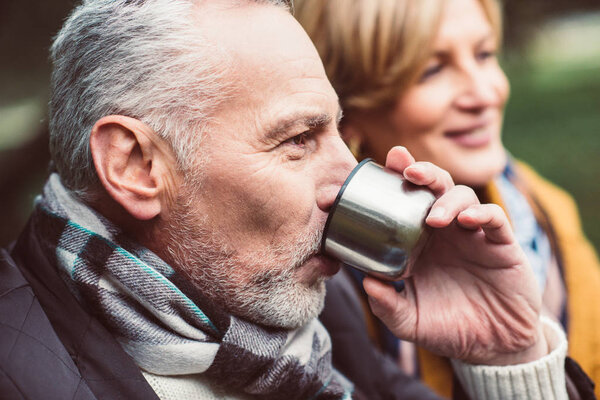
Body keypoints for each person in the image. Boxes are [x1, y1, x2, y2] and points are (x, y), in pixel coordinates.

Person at [0, 0, 593, 399]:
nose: (350, 178)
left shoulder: (317, 317)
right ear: (136, 166)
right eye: (299, 139)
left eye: (338, 131)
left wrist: (507, 358)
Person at [295, 0, 600, 397]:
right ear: (346, 109)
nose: (484, 93)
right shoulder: (313, 279)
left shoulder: (547, 211)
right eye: (432, 70)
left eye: (485, 54)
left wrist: (516, 360)